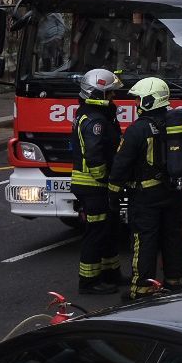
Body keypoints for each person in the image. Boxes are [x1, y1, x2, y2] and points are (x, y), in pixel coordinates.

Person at [111, 76, 182, 297]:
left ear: (149, 100)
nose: (136, 103)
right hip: (172, 191)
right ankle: (175, 282)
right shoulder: (176, 124)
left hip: (145, 196)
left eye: (139, 99)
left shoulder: (138, 129)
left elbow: (121, 163)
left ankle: (142, 289)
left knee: (145, 240)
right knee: (172, 236)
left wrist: (113, 191)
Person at [70, 68, 124, 295]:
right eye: (110, 93)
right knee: (96, 232)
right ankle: (89, 281)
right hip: (93, 185)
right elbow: (94, 155)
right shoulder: (94, 120)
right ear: (97, 93)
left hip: (97, 185)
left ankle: (111, 273)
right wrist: (106, 179)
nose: (113, 96)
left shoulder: (98, 115)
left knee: (109, 228)